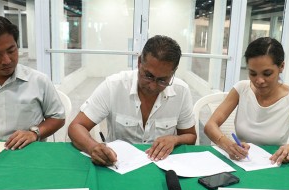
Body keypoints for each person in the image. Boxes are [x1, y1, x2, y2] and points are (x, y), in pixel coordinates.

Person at [204, 37, 289, 165]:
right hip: (242, 163)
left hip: (273, 164)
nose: (259, 81)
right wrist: (227, 145)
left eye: (267, 74)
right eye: (252, 73)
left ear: (281, 66)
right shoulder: (241, 89)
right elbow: (210, 125)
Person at [68, 35, 196, 166]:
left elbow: (190, 136)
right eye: (148, 76)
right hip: (117, 166)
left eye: (163, 80)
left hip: (161, 166)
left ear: (173, 73)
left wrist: (175, 140)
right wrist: (93, 147)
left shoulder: (181, 91)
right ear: (139, 62)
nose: (153, 86)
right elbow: (76, 127)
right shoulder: (114, 86)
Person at [0, 14, 65, 150]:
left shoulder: (38, 80)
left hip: (28, 151)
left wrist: (34, 133)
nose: (6, 60)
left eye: (11, 50)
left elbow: (57, 117)